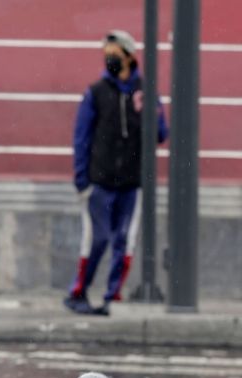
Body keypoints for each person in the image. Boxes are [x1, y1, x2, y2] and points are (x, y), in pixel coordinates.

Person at [64, 29, 168, 316]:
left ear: (129, 56)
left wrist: (149, 111)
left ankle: (113, 295)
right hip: (99, 182)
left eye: (114, 54)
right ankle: (78, 292)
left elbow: (161, 134)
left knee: (124, 240)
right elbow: (81, 137)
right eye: (106, 54)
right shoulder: (95, 93)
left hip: (131, 183)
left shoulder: (146, 92)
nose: (109, 59)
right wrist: (82, 180)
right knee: (96, 240)